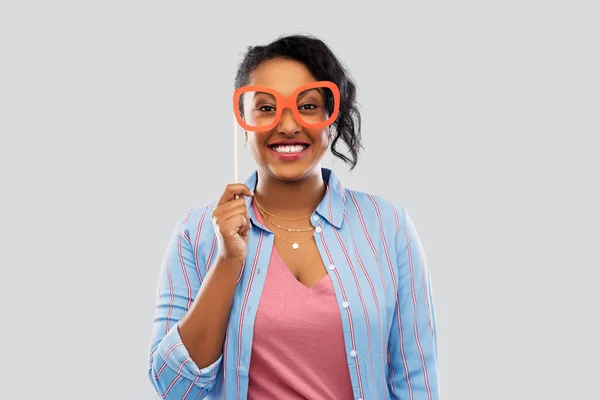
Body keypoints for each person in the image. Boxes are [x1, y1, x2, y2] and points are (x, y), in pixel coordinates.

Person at [147, 34, 439, 400]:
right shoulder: (195, 234)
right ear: (243, 119)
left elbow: (416, 383)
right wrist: (227, 262)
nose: (287, 125)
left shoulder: (389, 227)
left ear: (331, 118)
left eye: (309, 106)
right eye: (267, 108)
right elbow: (174, 387)